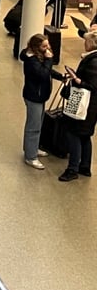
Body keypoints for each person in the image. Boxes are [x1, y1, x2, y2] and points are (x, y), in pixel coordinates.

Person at [20, 34, 65, 170]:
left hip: (39, 95)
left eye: (47, 45)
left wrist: (60, 76)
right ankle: (30, 156)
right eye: (44, 46)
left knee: (38, 124)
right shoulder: (31, 60)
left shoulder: (37, 57)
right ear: (36, 47)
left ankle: (32, 148)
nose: (47, 48)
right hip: (34, 96)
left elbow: (48, 71)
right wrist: (49, 59)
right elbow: (43, 73)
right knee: (33, 126)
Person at [59, 32, 97, 181]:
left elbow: (92, 86)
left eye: (86, 41)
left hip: (86, 105)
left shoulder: (93, 61)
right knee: (85, 135)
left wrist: (77, 80)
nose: (84, 43)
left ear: (92, 43)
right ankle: (85, 166)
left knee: (73, 133)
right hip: (91, 106)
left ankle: (72, 168)